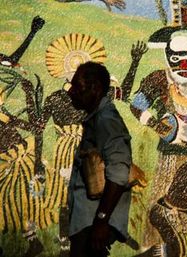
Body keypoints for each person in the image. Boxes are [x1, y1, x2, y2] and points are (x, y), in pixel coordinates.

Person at [67, 61, 132, 257]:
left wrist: (101, 221)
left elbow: (119, 172)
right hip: (89, 223)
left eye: (77, 86)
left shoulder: (106, 120)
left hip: (93, 223)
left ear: (95, 88)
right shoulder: (97, 119)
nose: (71, 92)